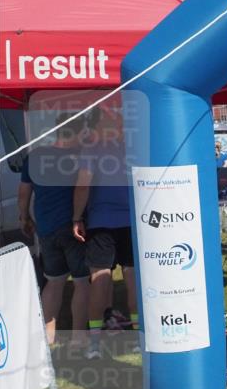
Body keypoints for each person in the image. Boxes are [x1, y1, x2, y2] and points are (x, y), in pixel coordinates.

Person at [72, 107, 138, 359]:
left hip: (101, 223)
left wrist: (76, 217)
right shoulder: (132, 149)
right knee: (133, 280)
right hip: (131, 223)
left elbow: (82, 186)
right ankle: (137, 338)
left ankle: (95, 344)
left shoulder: (92, 149)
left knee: (100, 280)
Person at [18, 115, 90, 345]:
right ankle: (79, 337)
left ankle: (47, 338)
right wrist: (77, 217)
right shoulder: (79, 156)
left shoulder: (35, 157)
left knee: (54, 281)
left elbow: (23, 192)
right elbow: (82, 189)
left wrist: (24, 217)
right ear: (76, 132)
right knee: (81, 281)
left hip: (46, 229)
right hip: (73, 228)